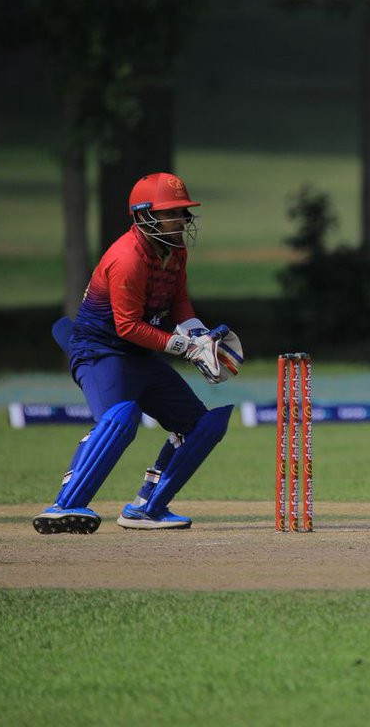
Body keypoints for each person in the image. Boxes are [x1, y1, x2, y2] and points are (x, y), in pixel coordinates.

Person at [33, 172, 242, 535]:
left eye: (182, 211)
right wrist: (183, 347)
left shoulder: (175, 250)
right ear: (145, 215)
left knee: (202, 425)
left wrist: (199, 336)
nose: (181, 220)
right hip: (100, 352)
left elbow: (179, 303)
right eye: (171, 213)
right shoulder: (127, 258)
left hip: (141, 354)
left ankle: (147, 507)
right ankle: (64, 505)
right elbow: (127, 326)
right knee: (121, 417)